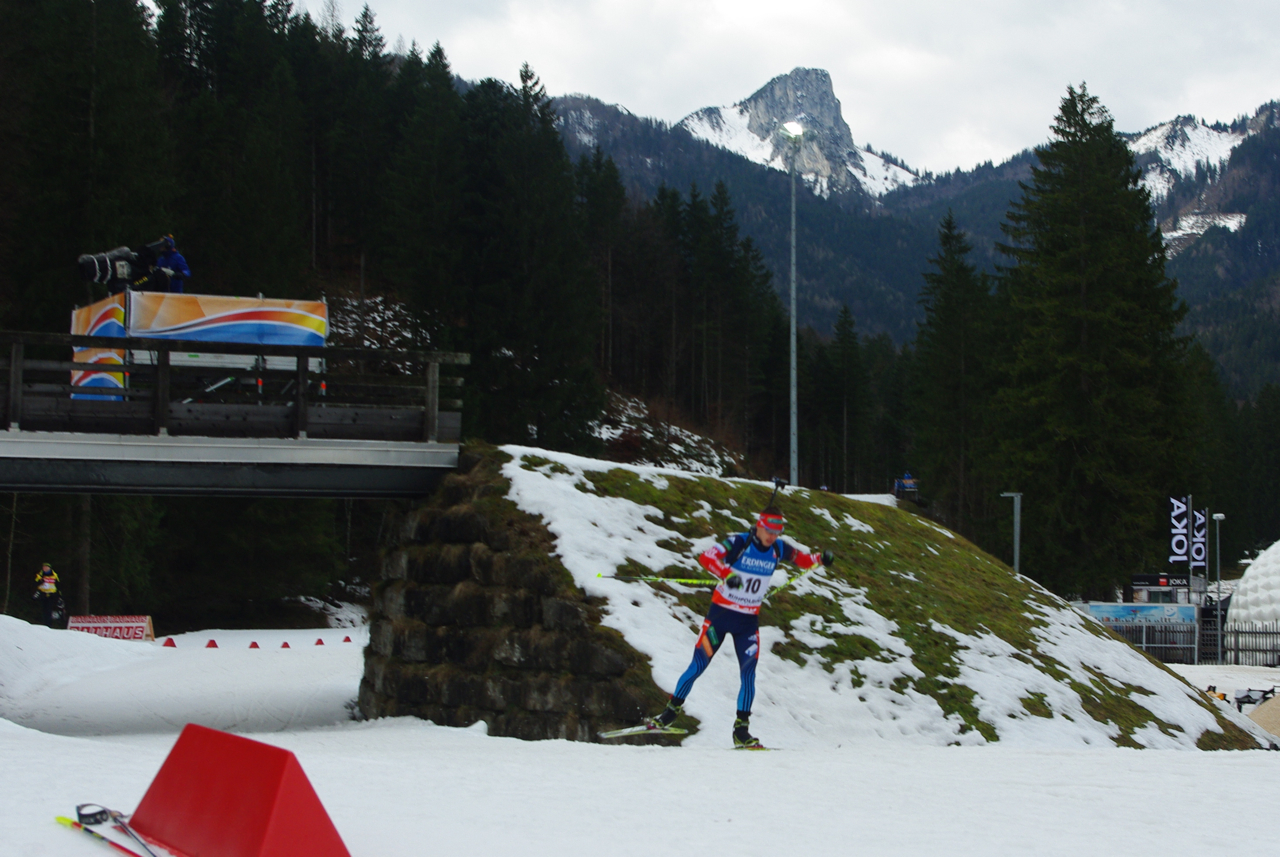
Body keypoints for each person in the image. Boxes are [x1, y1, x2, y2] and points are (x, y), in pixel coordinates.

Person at [645, 505, 835, 749]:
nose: (772, 537)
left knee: (748, 674)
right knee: (698, 665)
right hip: (719, 618)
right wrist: (726, 573)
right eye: (768, 531)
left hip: (747, 623)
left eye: (777, 532)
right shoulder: (738, 542)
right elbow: (707, 557)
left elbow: (802, 559)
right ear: (759, 525)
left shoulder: (778, 548)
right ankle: (668, 715)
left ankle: (741, 731)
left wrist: (820, 559)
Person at [32, 562, 65, 627]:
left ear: (49, 568)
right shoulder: (39, 575)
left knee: (49, 609)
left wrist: (59, 595)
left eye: (46, 567)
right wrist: (40, 581)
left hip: (52, 594)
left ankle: (49, 624)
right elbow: (34, 584)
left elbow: (58, 585)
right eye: (43, 567)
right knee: (44, 609)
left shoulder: (54, 575)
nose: (45, 568)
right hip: (43, 594)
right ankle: (44, 623)